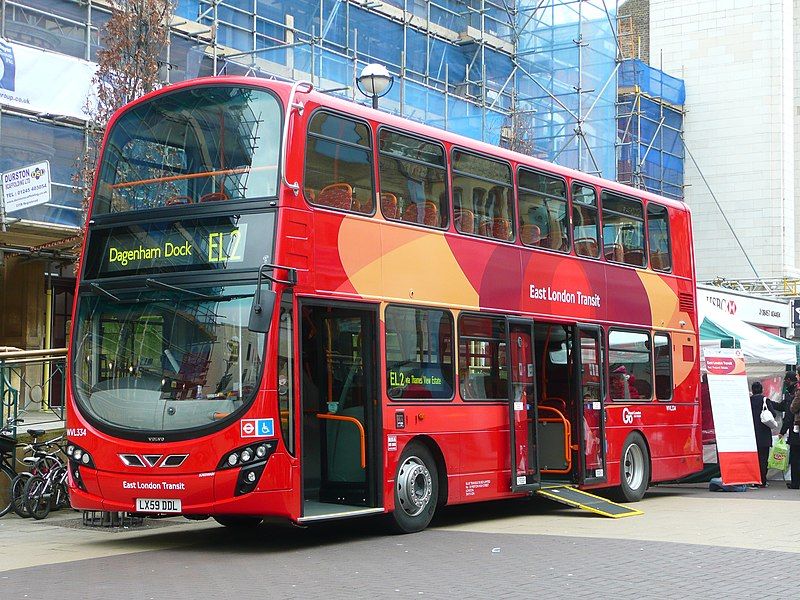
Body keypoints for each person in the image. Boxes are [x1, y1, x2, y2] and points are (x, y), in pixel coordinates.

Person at [749, 381, 776, 487]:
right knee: (763, 458)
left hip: (752, 434)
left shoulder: (748, 401)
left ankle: (754, 480)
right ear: (762, 389)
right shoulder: (765, 400)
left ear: (752, 390)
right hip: (764, 434)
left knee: (754, 459)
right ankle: (763, 481)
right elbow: (773, 414)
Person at [778, 384, 800, 489]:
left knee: (795, 457)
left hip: (796, 431)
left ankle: (795, 482)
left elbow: (791, 412)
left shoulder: (796, 396)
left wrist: (782, 431)